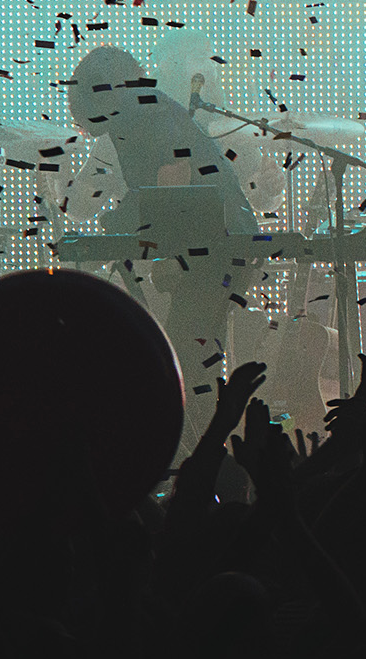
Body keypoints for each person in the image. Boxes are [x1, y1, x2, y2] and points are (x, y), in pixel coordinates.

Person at [64, 45, 261, 447]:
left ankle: (203, 457)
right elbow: (157, 189)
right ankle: (201, 454)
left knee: (189, 361)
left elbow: (172, 176)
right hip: (216, 246)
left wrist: (118, 225)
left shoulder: (146, 113)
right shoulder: (143, 110)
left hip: (220, 247)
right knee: (190, 358)